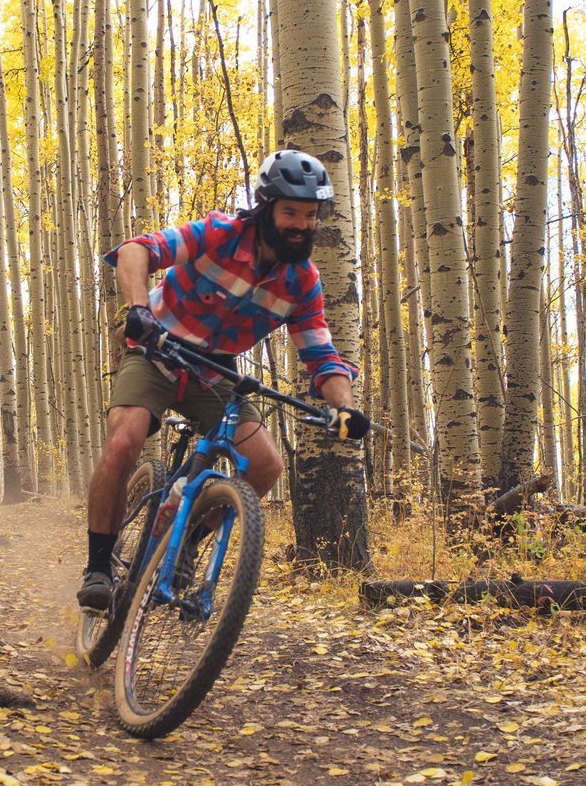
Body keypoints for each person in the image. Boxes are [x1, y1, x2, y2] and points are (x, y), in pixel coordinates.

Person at [78, 149, 371, 611]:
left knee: (266, 465)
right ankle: (97, 567)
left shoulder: (302, 282)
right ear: (266, 207)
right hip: (155, 351)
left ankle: (184, 547)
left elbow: (322, 356)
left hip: (215, 372)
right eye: (290, 211)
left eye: (310, 215)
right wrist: (138, 309)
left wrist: (345, 407)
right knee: (124, 441)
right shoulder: (220, 234)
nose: (300, 224)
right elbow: (137, 251)